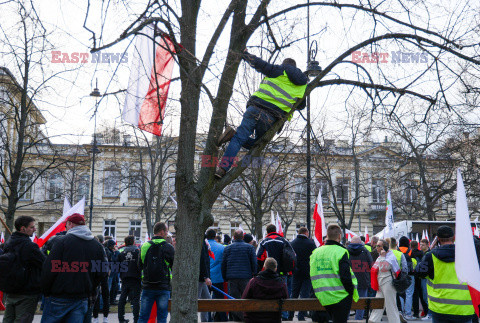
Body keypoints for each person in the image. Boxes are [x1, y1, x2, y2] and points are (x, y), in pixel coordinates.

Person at [215, 50, 308, 179]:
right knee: (257, 145)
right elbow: (302, 106)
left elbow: (260, 64)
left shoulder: (279, 70)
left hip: (255, 108)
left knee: (239, 138)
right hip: (271, 119)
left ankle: (222, 168)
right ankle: (233, 136)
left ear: (285, 65)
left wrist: (245, 55)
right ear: (296, 68)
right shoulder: (303, 84)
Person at [41, 213, 107, 322]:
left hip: (59, 296)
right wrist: (89, 286)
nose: (65, 228)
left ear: (70, 224)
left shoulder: (61, 242)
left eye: (66, 225)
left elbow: (49, 270)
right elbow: (102, 272)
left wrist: (46, 292)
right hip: (82, 297)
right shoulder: (97, 245)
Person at [415, 226, 476, 323]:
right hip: (464, 309)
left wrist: (430, 249)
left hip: (440, 309)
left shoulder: (430, 256)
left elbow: (418, 272)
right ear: (454, 238)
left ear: (438, 239)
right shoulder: (468, 255)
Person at [310, 224, 359, 323]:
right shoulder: (341, 252)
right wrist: (350, 291)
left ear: (327, 235)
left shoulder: (315, 252)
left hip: (321, 296)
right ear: (339, 236)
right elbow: (345, 276)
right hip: (340, 297)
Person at [2, 216, 45, 323]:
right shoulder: (29, 246)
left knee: (8, 320)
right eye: (32, 227)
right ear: (23, 229)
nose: (35, 229)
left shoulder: (8, 243)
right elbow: (44, 263)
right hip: (27, 294)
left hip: (11, 291)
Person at [257, 224, 296, 320]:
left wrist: (259, 271)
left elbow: (259, 257)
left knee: (268, 293)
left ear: (267, 231)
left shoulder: (264, 242)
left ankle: (269, 314)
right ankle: (284, 315)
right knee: (284, 294)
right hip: (283, 272)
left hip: (268, 274)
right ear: (276, 230)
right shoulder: (284, 241)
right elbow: (293, 256)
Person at [137, 222, 174, 323]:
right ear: (162, 232)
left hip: (147, 286)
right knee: (162, 318)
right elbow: (174, 266)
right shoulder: (169, 247)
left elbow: (139, 266)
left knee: (143, 317)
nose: (167, 233)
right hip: (163, 287)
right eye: (166, 231)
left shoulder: (144, 246)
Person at [221, 229, 257, 321]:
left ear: (233, 237)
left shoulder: (228, 248)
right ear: (243, 237)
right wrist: (254, 274)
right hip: (246, 277)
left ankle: (237, 319)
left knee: (234, 300)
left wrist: (225, 277)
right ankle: (245, 318)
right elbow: (254, 263)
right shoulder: (249, 248)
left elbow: (223, 264)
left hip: (232, 278)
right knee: (246, 298)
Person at [242, 257, 288, 323]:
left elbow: (244, 298)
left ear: (264, 267)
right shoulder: (281, 283)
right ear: (276, 269)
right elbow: (286, 299)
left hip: (254, 319)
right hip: (274, 320)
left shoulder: (253, 282)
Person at [370, 239, 401, 323]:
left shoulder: (390, 256)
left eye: (378, 246)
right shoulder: (380, 256)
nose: (376, 247)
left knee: (391, 305)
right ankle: (373, 321)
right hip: (380, 283)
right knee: (378, 304)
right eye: (376, 245)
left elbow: (383, 268)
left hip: (388, 282)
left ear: (384, 247)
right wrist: (382, 257)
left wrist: (383, 257)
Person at [289, 227, 316, 321]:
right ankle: (301, 315)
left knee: (294, 294)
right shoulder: (311, 243)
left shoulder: (292, 243)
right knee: (305, 294)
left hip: (296, 271)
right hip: (307, 272)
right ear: (306, 233)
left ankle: (290, 314)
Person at [347, 236, 373, 320]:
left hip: (349, 281)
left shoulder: (346, 251)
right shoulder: (365, 251)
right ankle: (358, 320)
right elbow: (371, 265)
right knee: (361, 303)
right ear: (360, 243)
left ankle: (345, 319)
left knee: (347, 302)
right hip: (363, 280)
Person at [117, 235, 141, 323]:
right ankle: (136, 319)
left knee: (122, 299)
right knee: (135, 300)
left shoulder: (121, 253)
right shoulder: (138, 252)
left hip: (125, 278)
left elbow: (118, 267)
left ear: (125, 243)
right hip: (135, 278)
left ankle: (121, 318)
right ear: (133, 242)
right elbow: (140, 265)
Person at [206, 229, 227, 322]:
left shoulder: (203, 247)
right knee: (220, 301)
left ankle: (208, 319)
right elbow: (224, 262)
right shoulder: (221, 247)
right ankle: (222, 319)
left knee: (206, 301)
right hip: (218, 277)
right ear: (215, 236)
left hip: (206, 278)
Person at [398, 236, 416, 320]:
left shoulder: (397, 251)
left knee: (400, 292)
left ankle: (400, 311)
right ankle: (408, 313)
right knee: (409, 293)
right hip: (410, 274)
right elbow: (415, 263)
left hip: (400, 274)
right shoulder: (410, 251)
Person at [410, 240, 428, 318]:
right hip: (420, 277)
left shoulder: (428, 254)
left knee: (423, 296)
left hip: (422, 277)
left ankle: (427, 313)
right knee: (422, 296)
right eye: (420, 245)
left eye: (423, 245)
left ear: (427, 245)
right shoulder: (422, 254)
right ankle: (426, 312)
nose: (421, 246)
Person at [198, 239, 212, 322]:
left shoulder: (203, 240)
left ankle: (205, 321)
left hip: (202, 277)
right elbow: (202, 259)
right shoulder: (201, 240)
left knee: (207, 298)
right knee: (196, 300)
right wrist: (206, 276)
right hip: (200, 277)